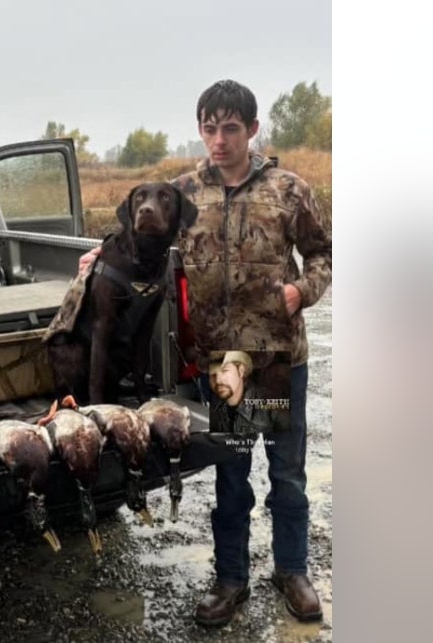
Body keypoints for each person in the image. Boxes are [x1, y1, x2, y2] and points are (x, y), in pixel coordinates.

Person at [77, 79, 332, 625]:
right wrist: (100, 252)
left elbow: (322, 254)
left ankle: (293, 571)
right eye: (209, 128)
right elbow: (137, 223)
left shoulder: (289, 189)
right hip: (227, 365)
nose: (218, 139)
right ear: (201, 130)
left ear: (253, 129)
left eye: (231, 128)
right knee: (232, 475)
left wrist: (300, 291)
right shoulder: (184, 192)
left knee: (286, 474)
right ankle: (231, 578)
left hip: (280, 357)